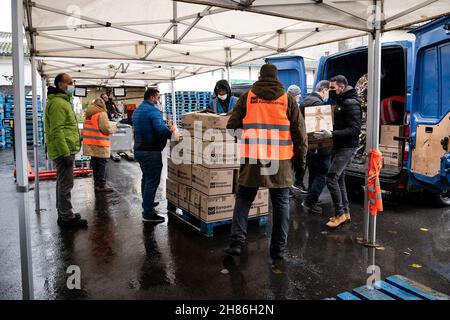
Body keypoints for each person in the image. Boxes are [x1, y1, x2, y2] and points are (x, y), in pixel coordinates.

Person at [224, 64, 308, 259]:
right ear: (277, 78)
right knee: (280, 203)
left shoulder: (248, 97)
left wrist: (247, 137)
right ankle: (278, 248)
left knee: (244, 199)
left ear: (260, 76)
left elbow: (231, 126)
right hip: (280, 160)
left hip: (253, 158)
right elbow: (300, 135)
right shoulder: (287, 100)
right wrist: (301, 163)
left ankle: (236, 243)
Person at [314, 75, 362, 228]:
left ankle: (339, 214)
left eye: (333, 88)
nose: (331, 91)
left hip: (347, 147)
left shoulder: (351, 103)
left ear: (341, 87)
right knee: (339, 179)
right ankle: (345, 213)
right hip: (340, 145)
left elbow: (354, 130)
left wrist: (332, 134)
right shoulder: (342, 101)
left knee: (331, 178)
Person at [44, 73, 87, 228]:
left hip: (65, 149)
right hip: (64, 151)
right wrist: (65, 153)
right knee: (65, 185)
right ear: (61, 84)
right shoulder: (58, 104)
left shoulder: (62, 101)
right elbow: (57, 130)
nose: (72, 85)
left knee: (62, 183)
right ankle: (67, 218)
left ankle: (63, 213)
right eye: (70, 82)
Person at [133, 88, 177, 223]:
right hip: (150, 151)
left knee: (146, 178)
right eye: (158, 98)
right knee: (153, 180)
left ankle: (148, 203)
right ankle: (148, 213)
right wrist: (173, 134)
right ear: (152, 97)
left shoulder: (138, 110)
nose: (159, 101)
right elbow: (160, 130)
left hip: (139, 149)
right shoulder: (153, 111)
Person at [300, 80, 332, 215]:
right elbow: (320, 131)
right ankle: (310, 202)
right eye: (328, 91)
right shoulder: (318, 104)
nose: (328, 95)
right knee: (323, 173)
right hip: (318, 147)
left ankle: (311, 197)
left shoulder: (304, 102)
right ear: (323, 90)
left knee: (313, 172)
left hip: (307, 145)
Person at [82, 97, 117, 192]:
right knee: (102, 164)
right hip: (100, 143)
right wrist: (113, 128)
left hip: (90, 143)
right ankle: (102, 185)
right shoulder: (101, 114)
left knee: (95, 164)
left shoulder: (88, 114)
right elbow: (106, 128)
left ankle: (96, 183)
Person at [286, 84, 307, 195]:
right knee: (289, 165)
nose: (299, 96)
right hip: (290, 140)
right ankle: (288, 189)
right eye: (298, 95)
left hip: (291, 140)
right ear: (294, 95)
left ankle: (295, 184)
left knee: (292, 164)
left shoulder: (296, 105)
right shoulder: (291, 106)